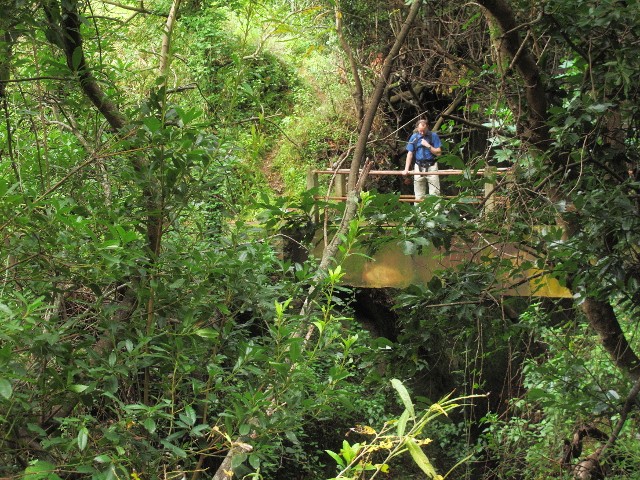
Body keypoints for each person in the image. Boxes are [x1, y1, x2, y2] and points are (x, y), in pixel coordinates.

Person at [403, 119, 442, 202]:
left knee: (435, 193)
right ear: (417, 128)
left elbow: (439, 153)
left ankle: (435, 214)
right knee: (419, 194)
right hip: (418, 167)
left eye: (424, 131)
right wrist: (406, 169)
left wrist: (428, 146)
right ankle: (420, 214)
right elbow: (410, 154)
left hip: (432, 167)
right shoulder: (414, 137)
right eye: (420, 131)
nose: (422, 133)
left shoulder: (433, 136)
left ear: (427, 127)